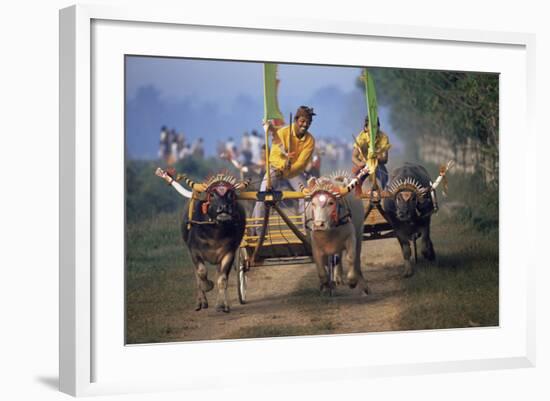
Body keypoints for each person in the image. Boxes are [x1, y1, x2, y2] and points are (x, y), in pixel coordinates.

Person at [252, 106, 316, 233]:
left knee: (307, 195)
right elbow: (274, 156)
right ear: (296, 120)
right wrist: (283, 165)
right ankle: (258, 231)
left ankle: (307, 229)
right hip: (275, 170)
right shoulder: (282, 133)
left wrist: (289, 167)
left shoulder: (310, 141)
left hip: (294, 173)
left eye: (308, 122)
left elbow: (301, 164)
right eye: (303, 121)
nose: (305, 124)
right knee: (263, 194)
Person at [352, 116, 391, 189]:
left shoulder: (384, 137)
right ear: (366, 128)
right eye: (371, 127)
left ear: (379, 127)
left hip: (378, 164)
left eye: (376, 126)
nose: (374, 130)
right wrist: (361, 164)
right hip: (364, 165)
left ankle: (383, 193)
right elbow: (354, 157)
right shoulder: (361, 137)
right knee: (355, 181)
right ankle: (357, 195)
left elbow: (385, 159)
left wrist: (376, 158)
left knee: (384, 178)